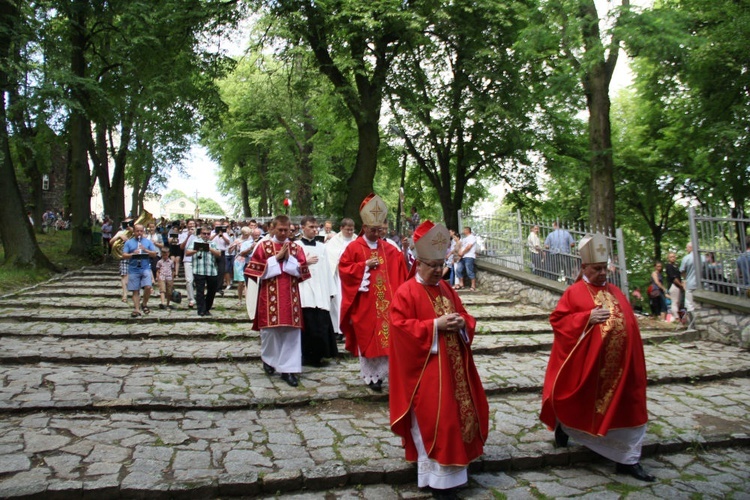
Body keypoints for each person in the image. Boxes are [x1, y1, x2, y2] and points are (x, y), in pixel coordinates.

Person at [540, 233, 655, 482]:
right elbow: (558, 321)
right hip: (592, 369)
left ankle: (627, 459)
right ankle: (565, 427)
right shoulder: (574, 292)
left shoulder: (615, 291)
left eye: (605, 268)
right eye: (597, 268)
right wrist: (585, 319)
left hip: (624, 370)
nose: (603, 273)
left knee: (631, 409)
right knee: (581, 403)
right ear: (584, 267)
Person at [390, 221, 489, 498]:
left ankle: (454, 474)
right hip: (426, 372)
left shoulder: (447, 290)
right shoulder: (406, 292)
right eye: (432, 265)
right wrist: (434, 326)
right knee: (436, 421)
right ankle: (437, 480)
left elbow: (466, 316)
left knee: (457, 420)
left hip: (454, 369)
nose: (438, 270)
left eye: (440, 264)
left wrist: (461, 323)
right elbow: (399, 328)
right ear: (418, 263)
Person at [339, 194, 408, 392]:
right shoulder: (354, 247)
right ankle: (372, 377)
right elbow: (344, 269)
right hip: (365, 304)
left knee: (387, 339)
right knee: (369, 339)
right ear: (365, 227)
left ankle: (385, 375)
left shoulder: (388, 248)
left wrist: (404, 250)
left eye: (379, 230)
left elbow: (402, 268)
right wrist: (364, 265)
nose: (377, 233)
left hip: (386, 304)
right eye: (373, 229)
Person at [246, 215, 311, 387]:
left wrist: (288, 259)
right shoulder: (263, 246)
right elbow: (254, 271)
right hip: (270, 295)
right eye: (280, 230)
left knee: (291, 332)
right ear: (272, 229)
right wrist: (276, 258)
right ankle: (269, 359)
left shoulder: (296, 248)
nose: (283, 233)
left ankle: (288, 369)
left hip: (291, 295)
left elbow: (302, 272)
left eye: (286, 230)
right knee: (270, 332)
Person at [298, 216, 338, 367]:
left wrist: (330, 290)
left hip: (320, 289)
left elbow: (327, 269)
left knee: (320, 322)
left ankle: (320, 355)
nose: (314, 230)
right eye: (311, 227)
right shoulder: (296, 246)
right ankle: (305, 356)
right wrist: (304, 263)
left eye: (316, 227)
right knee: (307, 322)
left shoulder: (322, 247)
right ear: (302, 227)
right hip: (304, 288)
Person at [326, 218, 356, 339]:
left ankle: (352, 329)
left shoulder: (357, 240)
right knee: (338, 302)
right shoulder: (334, 241)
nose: (350, 232)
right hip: (339, 276)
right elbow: (331, 256)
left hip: (354, 276)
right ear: (341, 228)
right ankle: (338, 329)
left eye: (351, 229)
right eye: (347, 229)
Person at [122, 223, 158, 318]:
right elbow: (124, 255)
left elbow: (154, 254)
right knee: (135, 290)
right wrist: (133, 254)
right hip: (133, 269)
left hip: (145, 267)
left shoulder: (148, 242)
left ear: (143, 231)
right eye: (137, 231)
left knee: (148, 286)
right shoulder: (129, 242)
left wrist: (145, 250)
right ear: (134, 231)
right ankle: (137, 309)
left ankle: (144, 303)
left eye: (141, 231)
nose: (139, 233)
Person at [185, 225, 222, 317]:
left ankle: (207, 308)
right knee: (200, 291)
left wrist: (209, 248)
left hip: (211, 270)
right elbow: (187, 253)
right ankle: (201, 310)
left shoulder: (212, 243)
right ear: (200, 234)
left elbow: (219, 254)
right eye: (204, 233)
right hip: (199, 270)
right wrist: (197, 249)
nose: (206, 235)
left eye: (208, 234)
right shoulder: (195, 241)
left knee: (212, 291)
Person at [110, 218, 133, 303]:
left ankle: (135, 294)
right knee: (124, 276)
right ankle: (125, 294)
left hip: (135, 256)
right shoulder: (120, 232)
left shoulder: (136, 232)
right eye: (126, 223)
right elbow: (111, 242)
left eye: (129, 223)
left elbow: (143, 240)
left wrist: (133, 232)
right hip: (124, 256)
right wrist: (119, 236)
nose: (128, 225)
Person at [679, 243, 699, 326]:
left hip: (690, 284)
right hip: (701, 285)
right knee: (698, 304)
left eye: (687, 247)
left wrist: (685, 278)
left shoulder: (686, 258)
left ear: (691, 248)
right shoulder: (703, 258)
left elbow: (682, 270)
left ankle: (692, 324)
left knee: (689, 304)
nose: (686, 249)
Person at [180, 220, 197, 309]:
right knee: (189, 280)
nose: (191, 225)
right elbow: (181, 247)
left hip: (198, 259)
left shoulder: (199, 233)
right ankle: (191, 299)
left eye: (193, 224)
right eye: (190, 224)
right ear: (187, 225)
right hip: (187, 259)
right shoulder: (183, 234)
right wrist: (188, 236)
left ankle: (198, 297)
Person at [454, 226, 477, 291]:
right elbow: (462, 246)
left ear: (467, 231)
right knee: (458, 269)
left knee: (469, 270)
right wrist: (460, 253)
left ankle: (473, 285)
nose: (463, 231)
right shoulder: (464, 239)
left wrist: (463, 252)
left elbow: (469, 247)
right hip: (462, 257)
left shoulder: (472, 237)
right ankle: (461, 284)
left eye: (464, 230)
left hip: (469, 256)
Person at [665, 252, 683, 322]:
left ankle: (676, 317)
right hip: (674, 285)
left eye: (674, 256)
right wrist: (680, 285)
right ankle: (676, 317)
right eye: (671, 257)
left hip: (677, 286)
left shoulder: (675, 266)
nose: (673, 258)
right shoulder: (669, 266)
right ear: (668, 258)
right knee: (674, 302)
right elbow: (673, 278)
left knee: (677, 302)